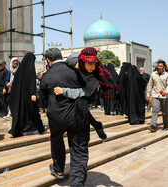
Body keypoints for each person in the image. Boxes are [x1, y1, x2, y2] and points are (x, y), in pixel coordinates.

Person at [40, 48, 90, 186]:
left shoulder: (46, 76)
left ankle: (59, 169)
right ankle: (77, 183)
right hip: (78, 116)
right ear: (62, 56)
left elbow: (42, 101)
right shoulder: (76, 71)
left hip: (57, 117)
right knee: (79, 149)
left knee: (56, 140)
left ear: (48, 61)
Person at [55, 48, 118, 139]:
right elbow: (62, 67)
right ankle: (96, 125)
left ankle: (96, 126)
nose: (92, 67)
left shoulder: (94, 74)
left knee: (82, 108)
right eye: (89, 64)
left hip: (84, 92)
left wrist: (65, 91)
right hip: (74, 83)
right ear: (82, 61)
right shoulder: (72, 60)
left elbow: (87, 91)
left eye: (94, 63)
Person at [8, 53, 46, 137]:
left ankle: (16, 130)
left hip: (19, 97)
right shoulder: (30, 68)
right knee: (34, 112)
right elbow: (31, 82)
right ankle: (41, 129)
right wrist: (33, 93)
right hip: (29, 96)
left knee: (20, 113)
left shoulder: (20, 71)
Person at [147, 60, 168, 132]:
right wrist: (148, 94)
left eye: (161, 66)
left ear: (164, 67)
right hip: (155, 95)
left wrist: (166, 92)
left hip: (164, 96)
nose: (159, 67)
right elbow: (150, 84)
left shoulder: (167, 75)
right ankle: (153, 125)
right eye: (158, 66)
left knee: (165, 112)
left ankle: (165, 125)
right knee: (155, 110)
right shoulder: (153, 74)